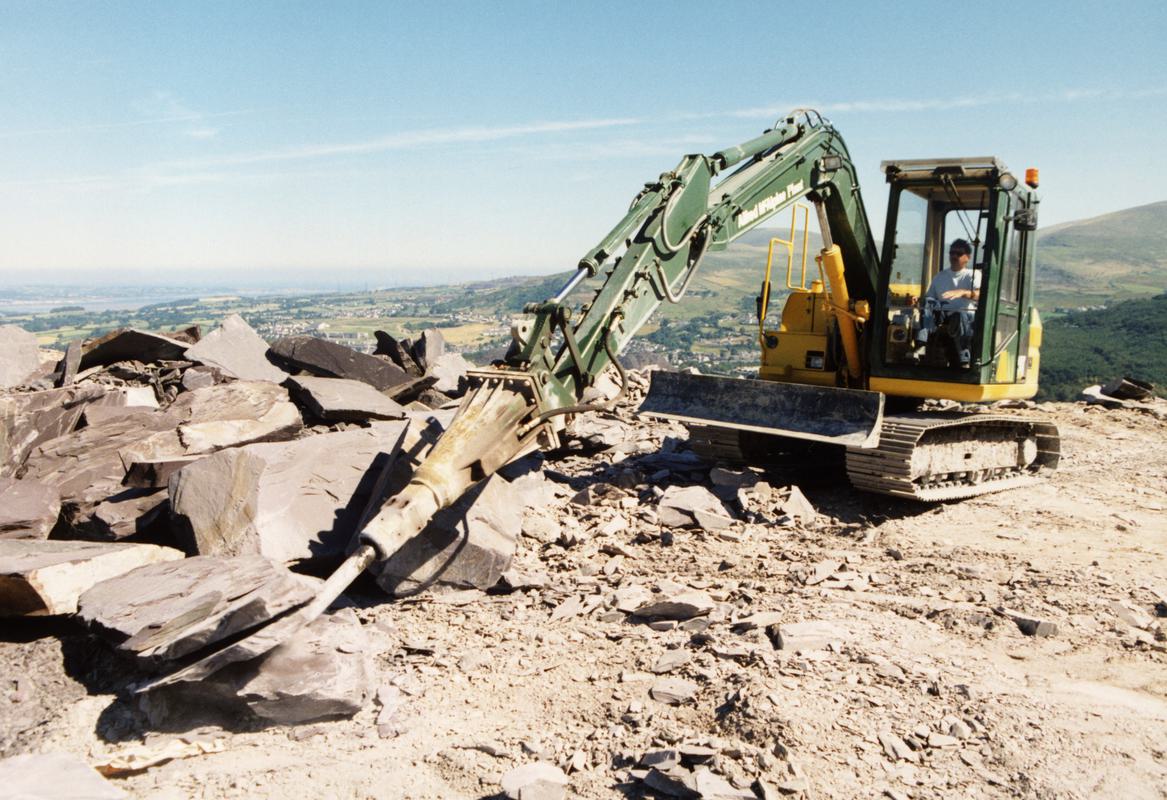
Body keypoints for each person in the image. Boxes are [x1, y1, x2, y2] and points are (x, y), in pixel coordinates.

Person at [917, 238, 980, 365]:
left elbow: (979, 295)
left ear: (967, 257)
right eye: (952, 253)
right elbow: (930, 298)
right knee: (928, 302)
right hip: (943, 313)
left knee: (959, 315)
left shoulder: (973, 274)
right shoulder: (940, 276)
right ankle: (922, 340)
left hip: (965, 314)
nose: (954, 256)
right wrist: (919, 300)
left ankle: (963, 354)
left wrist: (962, 292)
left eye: (959, 253)